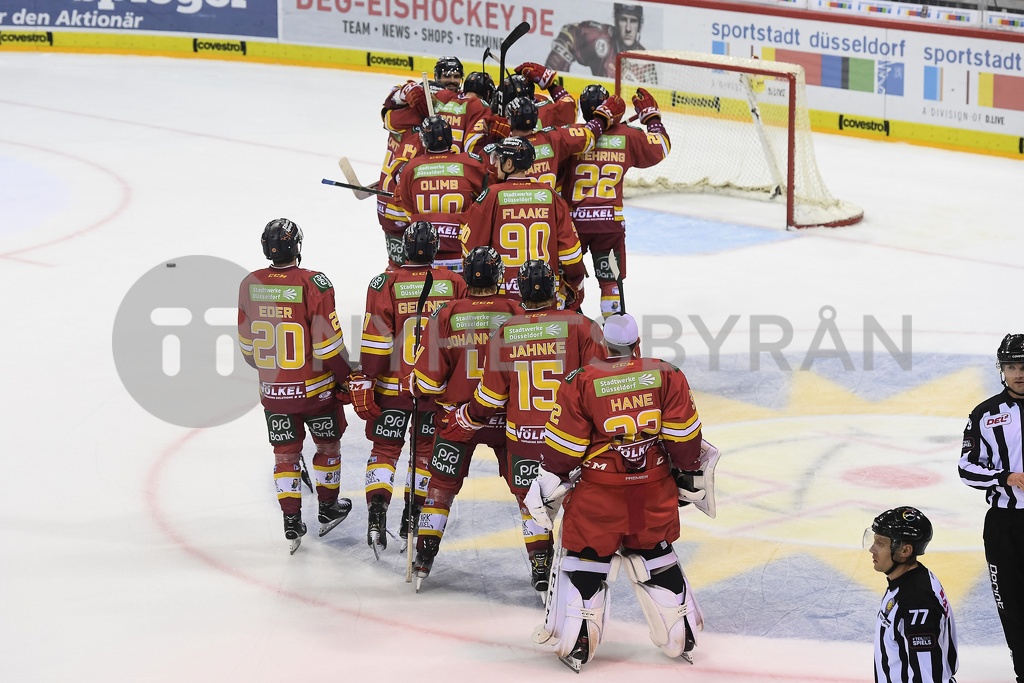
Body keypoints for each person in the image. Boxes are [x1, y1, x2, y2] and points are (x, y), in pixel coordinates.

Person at [526, 312, 708, 671]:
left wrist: (550, 478)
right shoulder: (666, 373)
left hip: (600, 495)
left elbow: (564, 450)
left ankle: (579, 639)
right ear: (637, 342)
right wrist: (686, 473)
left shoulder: (582, 380)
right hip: (654, 490)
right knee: (654, 551)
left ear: (603, 344)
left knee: (587, 556)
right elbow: (686, 438)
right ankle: (682, 630)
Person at [439, 260, 606, 600]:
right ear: (554, 289)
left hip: (525, 439)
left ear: (521, 292)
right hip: (573, 437)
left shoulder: (507, 332)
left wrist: (468, 417)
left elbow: (491, 395)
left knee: (531, 501)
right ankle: (580, 572)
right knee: (581, 501)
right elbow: (600, 383)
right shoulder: (583, 326)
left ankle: (541, 565)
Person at [348, 221, 468, 558]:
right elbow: (460, 341)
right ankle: (411, 517)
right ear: (435, 249)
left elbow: (376, 340)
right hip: (433, 389)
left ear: (404, 248)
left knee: (385, 450)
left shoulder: (385, 282)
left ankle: (376, 511)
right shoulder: (454, 282)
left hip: (392, 388)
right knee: (425, 451)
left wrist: (367, 379)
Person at [236, 218, 354, 554]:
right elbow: (328, 347)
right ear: (297, 247)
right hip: (317, 393)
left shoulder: (249, 283)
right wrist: (346, 377)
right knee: (327, 447)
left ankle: (291, 521)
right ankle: (328, 508)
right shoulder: (314, 282)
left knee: (285, 455)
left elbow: (247, 349)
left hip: (275, 394)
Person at [408, 246, 521, 586]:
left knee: (441, 486)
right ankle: (541, 564)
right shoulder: (516, 312)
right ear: (499, 276)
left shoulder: (446, 313)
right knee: (526, 490)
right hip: (507, 419)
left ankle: (424, 555)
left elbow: (429, 382)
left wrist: (415, 382)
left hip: (456, 420)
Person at [563, 84, 671, 318]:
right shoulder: (628, 136)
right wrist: (652, 118)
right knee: (610, 282)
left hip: (573, 226)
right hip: (609, 225)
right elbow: (661, 146)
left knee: (567, 281)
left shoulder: (572, 135)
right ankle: (615, 331)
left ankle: (571, 327)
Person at [959, 333, 1024, 681]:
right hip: (1004, 526)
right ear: (1002, 370)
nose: (1019, 373)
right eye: (1012, 366)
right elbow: (966, 467)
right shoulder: (985, 414)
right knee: (1012, 605)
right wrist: (1005, 477)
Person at [462, 136, 595, 304]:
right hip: (545, 294)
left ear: (509, 164)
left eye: (498, 159)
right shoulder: (550, 194)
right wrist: (575, 283)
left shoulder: (492, 195)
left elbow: (471, 249)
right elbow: (571, 254)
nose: (495, 164)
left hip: (503, 294)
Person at [865, 507, 959, 683]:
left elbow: (927, 678)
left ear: (905, 551)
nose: (872, 549)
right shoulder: (905, 581)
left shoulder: (917, 602)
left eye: (880, 543)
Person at [393, 116, 489, 272]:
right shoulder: (469, 163)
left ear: (424, 140)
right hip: (461, 248)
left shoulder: (410, 168)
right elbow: (485, 197)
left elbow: (409, 209)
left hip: (422, 249)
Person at [544, 3, 657, 84]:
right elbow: (570, 33)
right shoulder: (601, 37)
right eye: (623, 20)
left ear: (639, 25)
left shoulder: (645, 63)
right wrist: (554, 84)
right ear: (616, 21)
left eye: (633, 21)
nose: (628, 28)